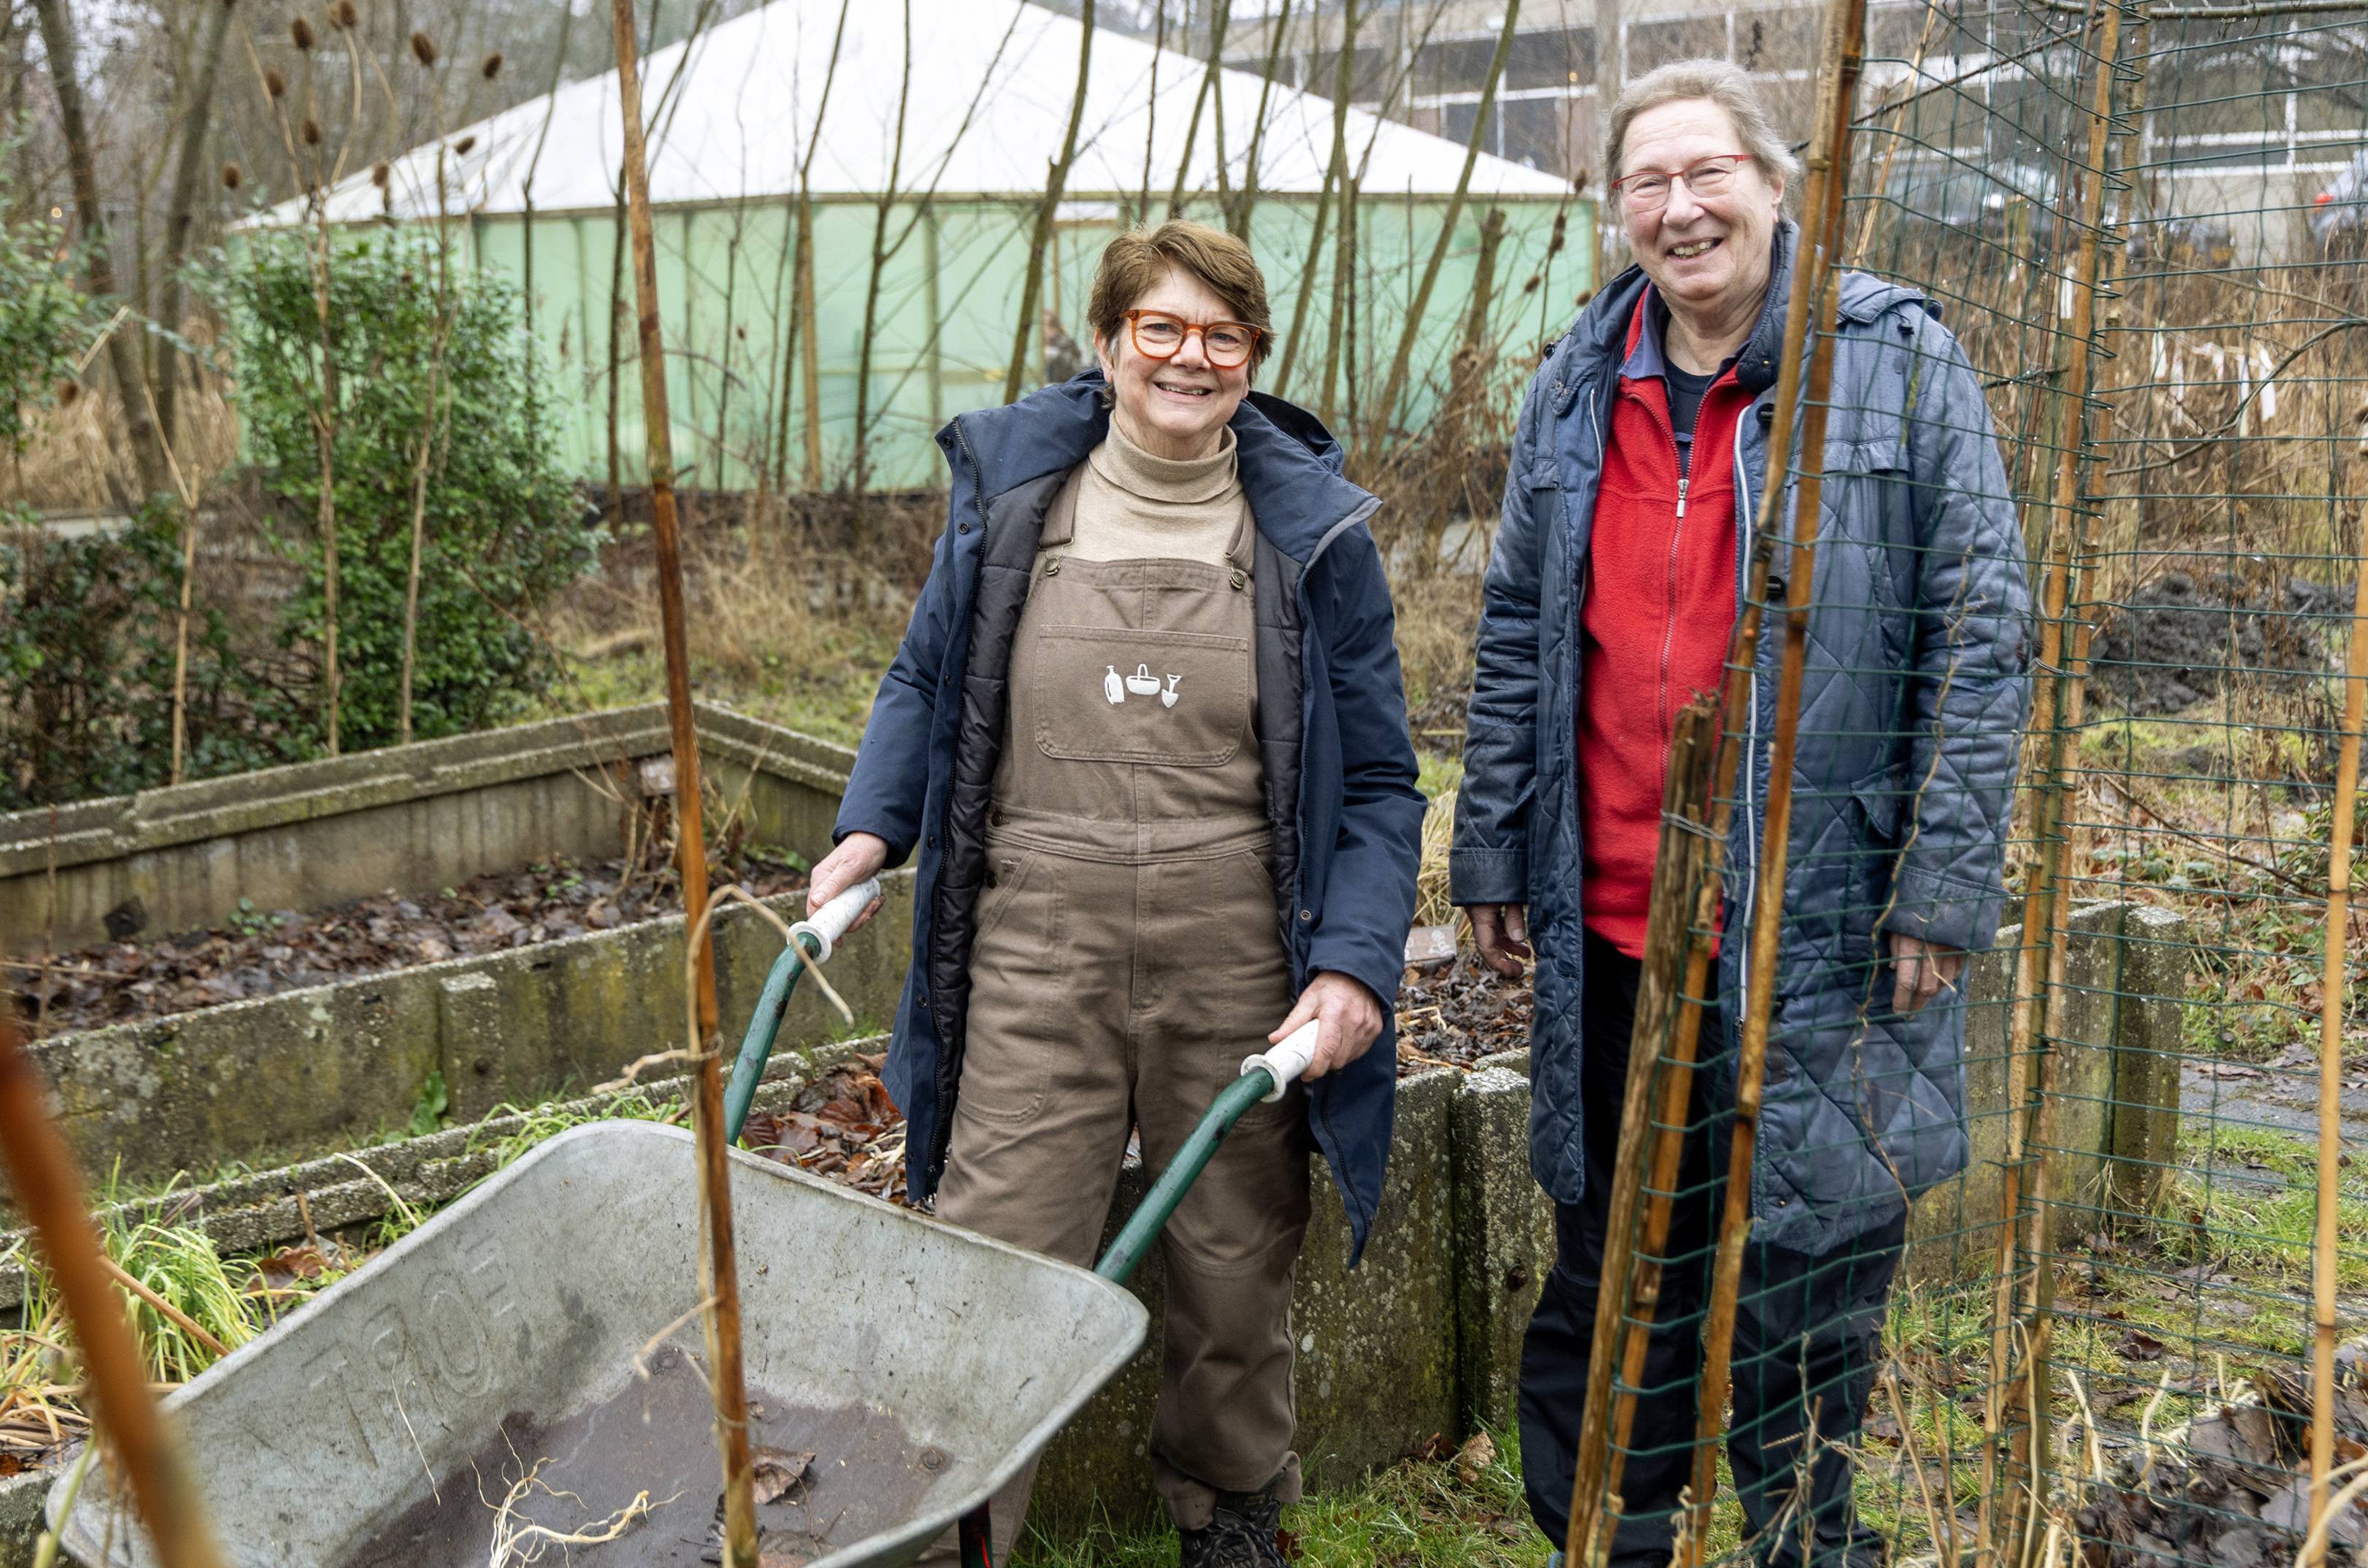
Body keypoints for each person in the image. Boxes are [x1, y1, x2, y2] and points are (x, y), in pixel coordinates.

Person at [1449, 60, 2032, 1568]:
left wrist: (1941, 886)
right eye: (1646, 181)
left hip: (1819, 922)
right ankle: (1610, 1540)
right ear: (1618, 213)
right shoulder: (1579, 382)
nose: (1679, 206)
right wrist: (1498, 846)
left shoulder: (1892, 363)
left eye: (1708, 172)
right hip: (1617, 919)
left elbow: (1982, 628)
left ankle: (1798, 1544)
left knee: (1807, 1271)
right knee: (1613, 1270)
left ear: (1776, 188)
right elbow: (1520, 628)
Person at [808, 219, 1423, 1568]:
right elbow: (925, 682)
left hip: (1239, 954)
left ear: (1254, 360)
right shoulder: (1017, 502)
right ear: (1108, 342)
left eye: (1222, 336)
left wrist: (1356, 966)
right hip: (1039, 943)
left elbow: (1379, 779)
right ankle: (952, 1535)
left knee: (1232, 1262)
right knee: (993, 1265)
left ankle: (1230, 1517)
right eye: (1161, 329)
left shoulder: (1313, 537)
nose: (1188, 358)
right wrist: (871, 831)